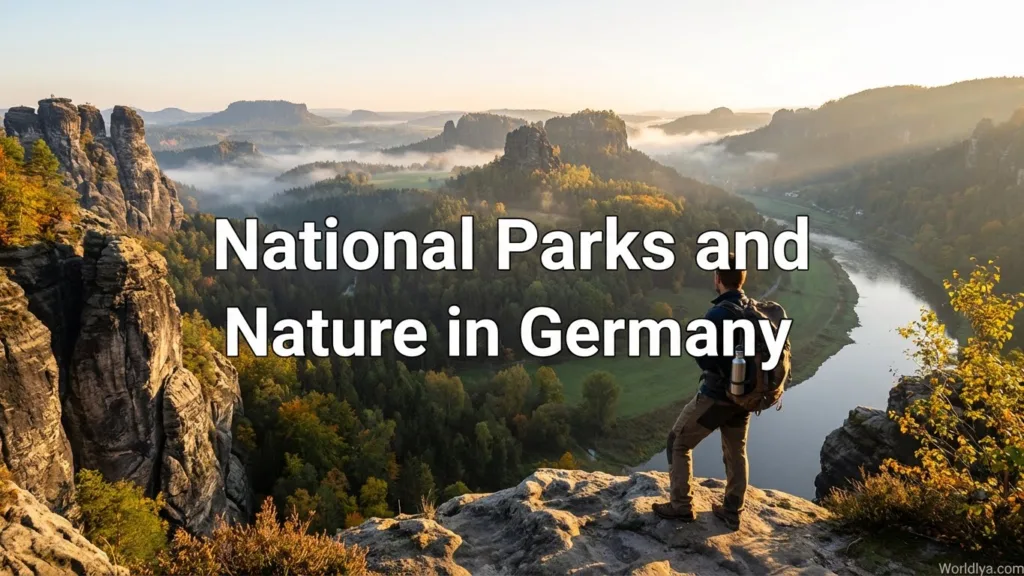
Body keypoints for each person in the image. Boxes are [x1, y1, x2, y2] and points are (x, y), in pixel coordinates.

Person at [652, 252, 750, 531]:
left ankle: (681, 506)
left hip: (716, 397)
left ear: (718, 279)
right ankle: (732, 510)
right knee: (736, 450)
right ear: (742, 280)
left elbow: (705, 360)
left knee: (678, 442)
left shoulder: (718, 314)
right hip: (744, 397)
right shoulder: (752, 309)